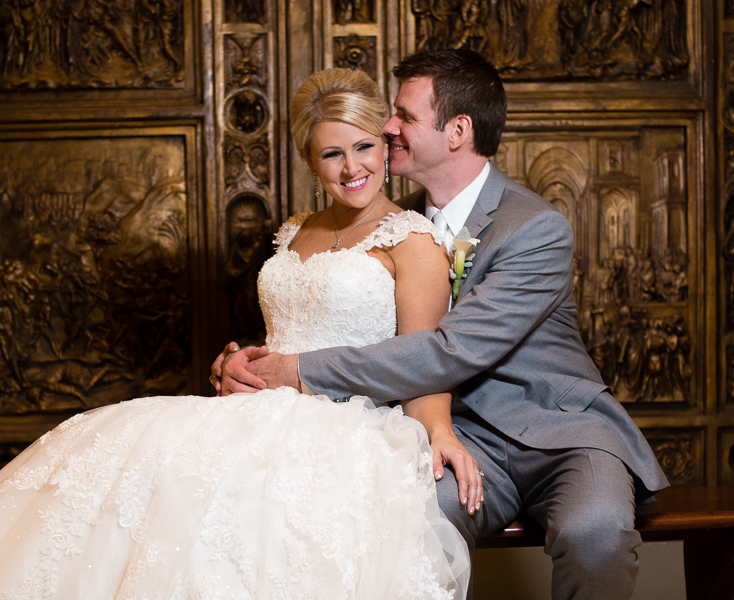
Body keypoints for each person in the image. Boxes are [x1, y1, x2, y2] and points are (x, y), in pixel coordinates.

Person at [0, 69, 472, 600]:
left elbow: (424, 361)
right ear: (309, 162)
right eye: (332, 154)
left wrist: (438, 431)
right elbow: (286, 329)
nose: (352, 169)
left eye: (365, 147)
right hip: (250, 413)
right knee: (122, 468)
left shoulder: (411, 240)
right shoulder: (295, 230)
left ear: (387, 146)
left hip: (344, 428)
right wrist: (233, 360)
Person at [216, 49, 670, 600]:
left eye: (404, 116)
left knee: (593, 532)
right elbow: (338, 321)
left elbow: (448, 350)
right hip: (451, 436)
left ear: (457, 130)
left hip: (558, 434)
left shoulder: (535, 227)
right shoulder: (388, 219)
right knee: (399, 524)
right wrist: (250, 365)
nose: (387, 128)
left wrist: (295, 370)